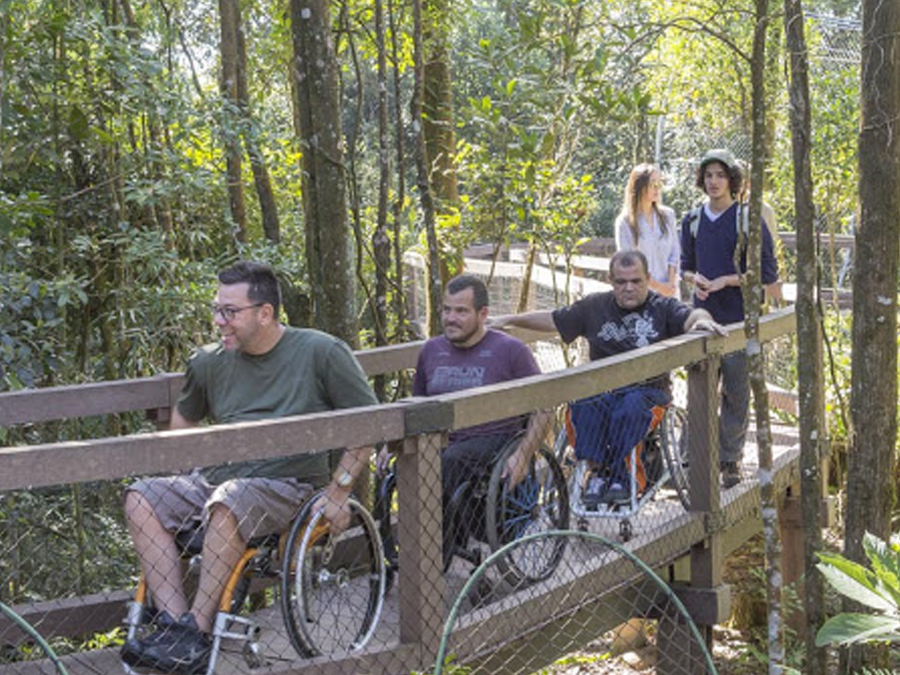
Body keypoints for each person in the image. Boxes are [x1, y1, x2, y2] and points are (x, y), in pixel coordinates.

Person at [120, 261, 378, 675]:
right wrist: (188, 466)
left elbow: (370, 424)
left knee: (229, 500)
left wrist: (340, 489)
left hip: (287, 487)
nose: (219, 321)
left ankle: (197, 635)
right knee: (141, 497)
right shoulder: (208, 362)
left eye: (230, 312)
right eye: (216, 309)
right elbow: (185, 417)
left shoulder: (321, 352)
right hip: (216, 481)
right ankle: (173, 624)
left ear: (265, 313)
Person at [491, 250, 724, 504]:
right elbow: (553, 320)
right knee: (582, 403)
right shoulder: (594, 307)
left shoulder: (662, 307)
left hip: (647, 393)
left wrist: (702, 322)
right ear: (610, 281)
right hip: (602, 391)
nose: (628, 288)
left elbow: (691, 315)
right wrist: (508, 319)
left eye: (636, 281)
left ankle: (627, 477)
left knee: (630, 407)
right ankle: (598, 472)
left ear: (647, 278)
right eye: (621, 282)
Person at [378, 274, 551, 530]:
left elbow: (544, 409)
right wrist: (392, 441)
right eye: (447, 310)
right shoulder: (431, 350)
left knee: (447, 461)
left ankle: (440, 551)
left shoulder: (511, 351)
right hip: (439, 439)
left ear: (483, 314)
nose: (450, 318)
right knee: (395, 467)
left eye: (461, 311)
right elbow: (418, 403)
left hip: (492, 440)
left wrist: (523, 455)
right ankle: (388, 554)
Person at [679, 148, 779, 488]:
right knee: (700, 391)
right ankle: (691, 458)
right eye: (708, 175)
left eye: (721, 175)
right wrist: (696, 280)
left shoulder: (748, 219)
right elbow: (685, 266)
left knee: (736, 392)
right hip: (703, 316)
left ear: (732, 180)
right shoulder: (691, 220)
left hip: (738, 318)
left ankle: (730, 460)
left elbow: (766, 273)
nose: (714, 182)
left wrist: (727, 280)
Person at [614, 163, 680, 298]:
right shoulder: (625, 222)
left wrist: (670, 284)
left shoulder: (668, 215)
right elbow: (628, 265)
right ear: (639, 187)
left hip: (670, 293)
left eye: (658, 184)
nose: (657, 189)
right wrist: (659, 287)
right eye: (652, 184)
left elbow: (675, 253)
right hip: (641, 296)